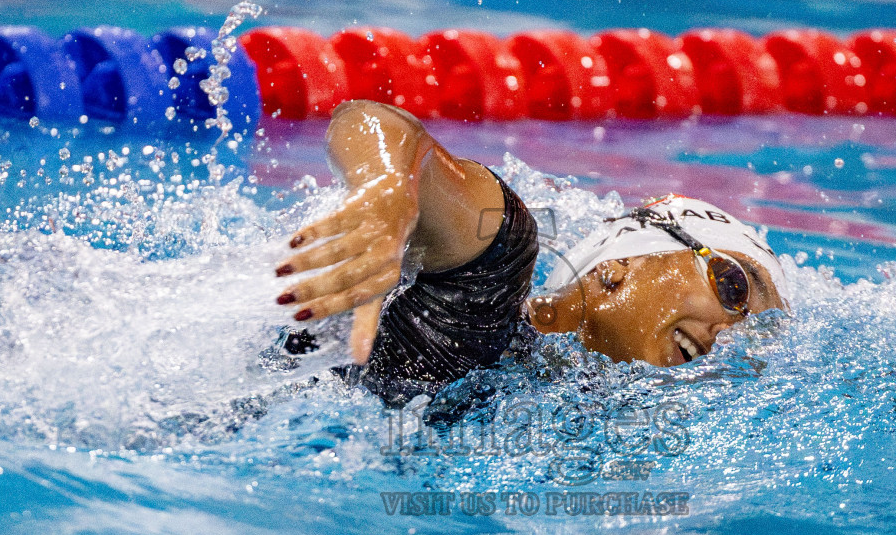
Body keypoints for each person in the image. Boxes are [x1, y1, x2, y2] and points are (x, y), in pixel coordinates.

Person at [276, 100, 788, 404]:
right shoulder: (487, 287)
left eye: (756, 333)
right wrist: (389, 194)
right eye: (733, 286)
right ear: (619, 268)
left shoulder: (580, 415)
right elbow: (371, 123)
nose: (731, 336)